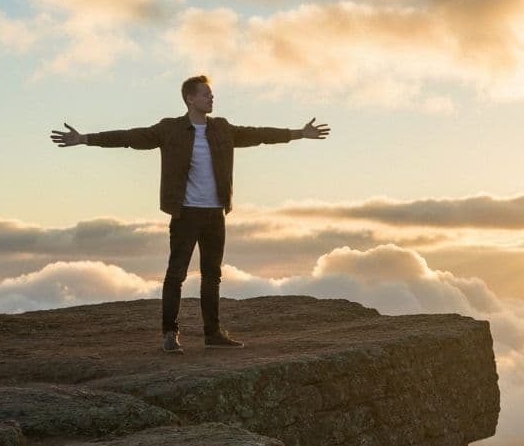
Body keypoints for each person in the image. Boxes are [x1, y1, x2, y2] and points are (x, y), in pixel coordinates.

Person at [50, 74, 330, 353]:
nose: (211, 98)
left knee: (212, 275)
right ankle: (169, 334)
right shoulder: (170, 129)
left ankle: (213, 334)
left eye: (211, 94)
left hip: (215, 213)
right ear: (190, 99)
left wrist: (299, 133)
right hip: (185, 213)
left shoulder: (222, 128)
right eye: (206, 94)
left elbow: (259, 135)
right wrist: (84, 139)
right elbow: (129, 137)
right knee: (176, 275)